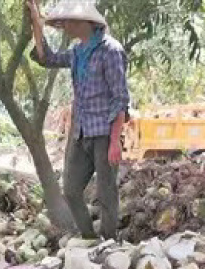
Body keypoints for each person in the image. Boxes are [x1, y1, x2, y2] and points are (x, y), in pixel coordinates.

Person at [27, 0, 130, 240]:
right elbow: (47, 58)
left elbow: (120, 98)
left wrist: (115, 141)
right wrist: (36, 21)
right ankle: (89, 238)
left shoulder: (110, 51)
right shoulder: (76, 52)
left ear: (85, 22)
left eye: (68, 22)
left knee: (106, 191)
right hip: (81, 130)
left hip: (104, 131)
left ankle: (109, 240)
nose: (65, 27)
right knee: (71, 190)